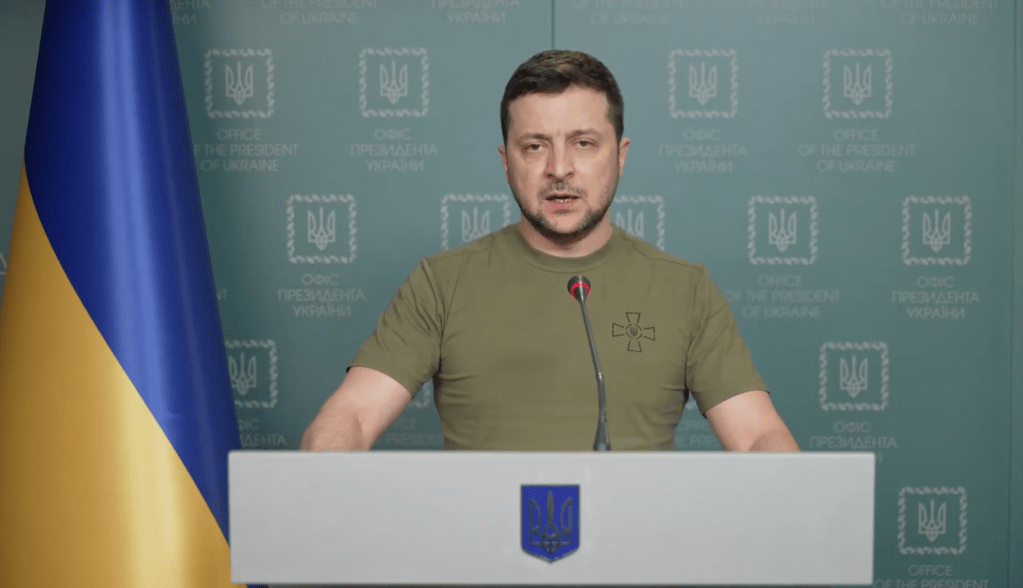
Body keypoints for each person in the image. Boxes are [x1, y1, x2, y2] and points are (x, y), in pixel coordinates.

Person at [301, 50, 799, 452]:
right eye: (535, 146)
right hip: (482, 544)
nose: (559, 169)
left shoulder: (686, 289)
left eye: (583, 143)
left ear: (620, 155)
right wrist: (320, 479)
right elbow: (353, 415)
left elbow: (757, 436)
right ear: (506, 162)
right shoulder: (440, 283)